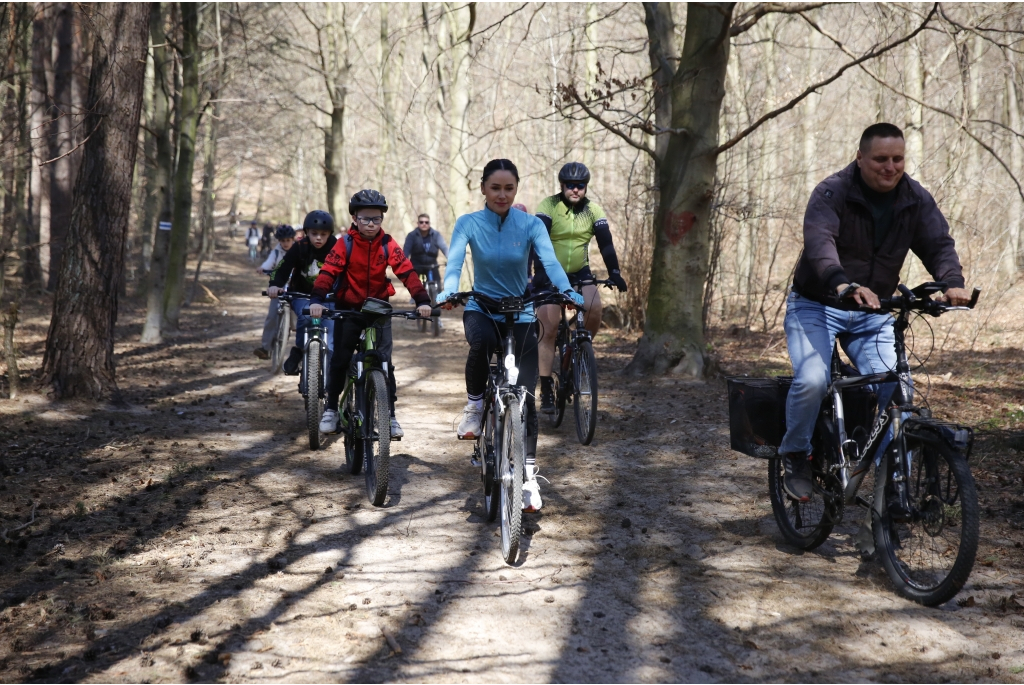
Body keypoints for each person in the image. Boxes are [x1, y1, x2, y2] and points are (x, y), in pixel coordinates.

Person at [780, 122, 971, 503]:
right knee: (814, 380)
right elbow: (820, 243)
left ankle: (889, 497)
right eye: (881, 159)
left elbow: (937, 243)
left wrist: (951, 281)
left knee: (898, 393)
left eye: (898, 159)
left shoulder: (914, 199)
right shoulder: (832, 192)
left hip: (873, 313)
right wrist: (842, 283)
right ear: (860, 157)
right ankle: (796, 455)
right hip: (818, 304)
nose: (890, 167)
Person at [436, 159, 583, 512]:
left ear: (516, 189)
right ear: (483, 188)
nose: (502, 194)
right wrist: (449, 291)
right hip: (482, 307)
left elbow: (549, 261)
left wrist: (566, 290)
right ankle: (474, 406)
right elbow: (454, 262)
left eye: (509, 188)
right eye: (495, 188)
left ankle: (528, 477)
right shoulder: (468, 222)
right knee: (482, 343)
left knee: (526, 398)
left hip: (520, 311)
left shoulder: (530, 224)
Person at [309, 190, 432, 439]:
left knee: (385, 363)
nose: (371, 224)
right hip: (349, 309)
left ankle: (390, 416)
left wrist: (422, 300)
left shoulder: (387, 244)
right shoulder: (345, 243)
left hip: (378, 310)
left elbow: (406, 271)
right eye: (365, 219)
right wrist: (317, 300)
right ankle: (331, 409)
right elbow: (328, 272)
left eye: (376, 219)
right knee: (340, 360)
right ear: (354, 218)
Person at [532, 162, 628, 414]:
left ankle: (578, 352)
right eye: (570, 185)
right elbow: (537, 240)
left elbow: (606, 243)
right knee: (549, 327)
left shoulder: (593, 210)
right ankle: (546, 389)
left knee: (594, 307)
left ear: (586, 187)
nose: (575, 190)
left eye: (580, 185)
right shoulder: (549, 205)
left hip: (580, 271)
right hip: (548, 271)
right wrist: (539, 273)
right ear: (561, 185)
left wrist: (614, 273)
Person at [267, 211, 339, 375]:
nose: (318, 238)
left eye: (323, 234)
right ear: (306, 232)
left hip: (330, 297)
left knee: (333, 331)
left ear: (330, 234)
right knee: (306, 317)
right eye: (314, 234)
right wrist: (275, 285)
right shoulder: (300, 247)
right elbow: (282, 268)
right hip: (302, 294)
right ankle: (299, 350)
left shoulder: (336, 248)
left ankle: (331, 377)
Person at [254, 225, 296, 360]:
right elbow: (269, 263)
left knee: (300, 319)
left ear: (292, 239)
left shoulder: (299, 250)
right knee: (272, 316)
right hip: (278, 289)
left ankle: (304, 352)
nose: (285, 243)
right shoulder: (276, 252)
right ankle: (266, 348)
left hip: (295, 288)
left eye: (288, 240)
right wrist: (263, 268)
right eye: (282, 241)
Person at [403, 213, 449, 284]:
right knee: (414, 287)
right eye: (421, 222)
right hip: (416, 266)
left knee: (438, 287)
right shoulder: (412, 236)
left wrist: (450, 258)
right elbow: (406, 250)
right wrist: (404, 262)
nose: (424, 224)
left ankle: (435, 293)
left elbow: (444, 247)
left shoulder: (436, 235)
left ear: (429, 223)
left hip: (432, 266)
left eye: (426, 222)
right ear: (418, 223)